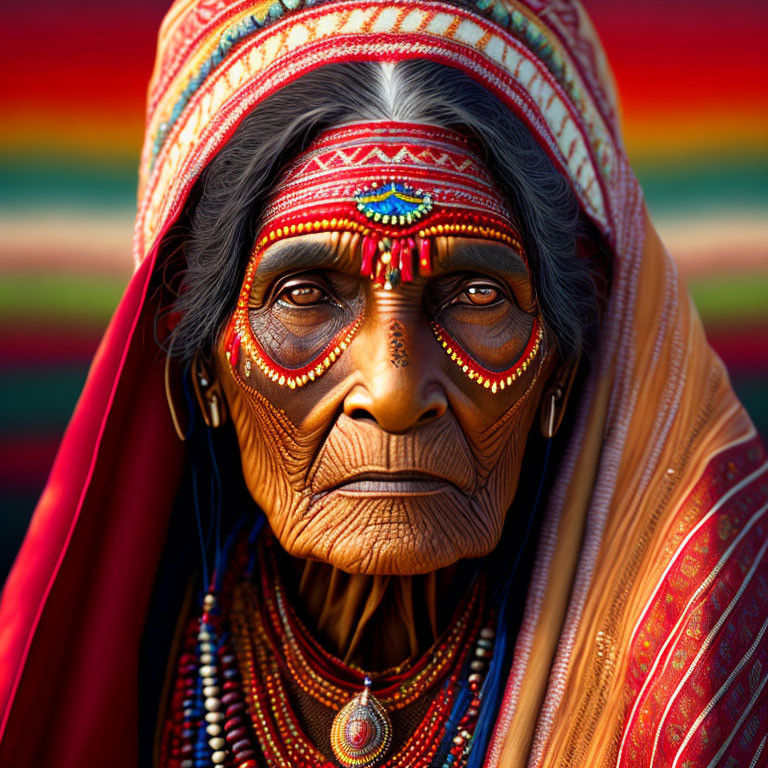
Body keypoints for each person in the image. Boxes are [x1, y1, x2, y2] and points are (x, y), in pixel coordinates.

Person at [1, 0, 766, 766]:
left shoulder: (703, 663)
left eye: (476, 296)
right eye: (304, 294)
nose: (395, 391)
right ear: (204, 364)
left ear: (560, 366)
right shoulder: (132, 672)